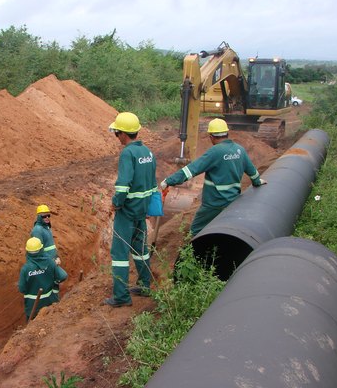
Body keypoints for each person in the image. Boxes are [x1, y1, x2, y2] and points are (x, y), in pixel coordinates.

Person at [160, 118, 267, 238]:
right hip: (233, 201)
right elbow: (252, 171)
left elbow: (191, 170)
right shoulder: (239, 150)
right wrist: (257, 181)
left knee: (195, 231)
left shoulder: (215, 152)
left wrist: (169, 180)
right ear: (227, 133)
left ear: (211, 136)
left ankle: (191, 254)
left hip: (214, 203)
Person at [105, 112, 157, 308]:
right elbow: (152, 184)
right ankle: (145, 285)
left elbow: (123, 186)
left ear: (124, 134)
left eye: (116, 133)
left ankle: (121, 296)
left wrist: (115, 203)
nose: (116, 137)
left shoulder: (128, 153)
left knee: (119, 254)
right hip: (141, 211)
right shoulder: (148, 153)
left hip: (127, 212)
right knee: (141, 249)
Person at [18, 237, 67, 321]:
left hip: (33, 307)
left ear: (27, 252)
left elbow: (22, 289)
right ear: (41, 249)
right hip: (51, 302)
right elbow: (63, 276)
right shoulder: (50, 262)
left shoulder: (25, 269)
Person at [31, 204, 61, 297]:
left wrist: (56, 256)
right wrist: (51, 261)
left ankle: (55, 302)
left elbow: (50, 245)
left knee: (56, 282)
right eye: (44, 216)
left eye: (48, 215)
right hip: (47, 263)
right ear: (39, 217)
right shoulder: (37, 230)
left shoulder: (47, 228)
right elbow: (38, 251)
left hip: (52, 260)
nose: (47, 217)